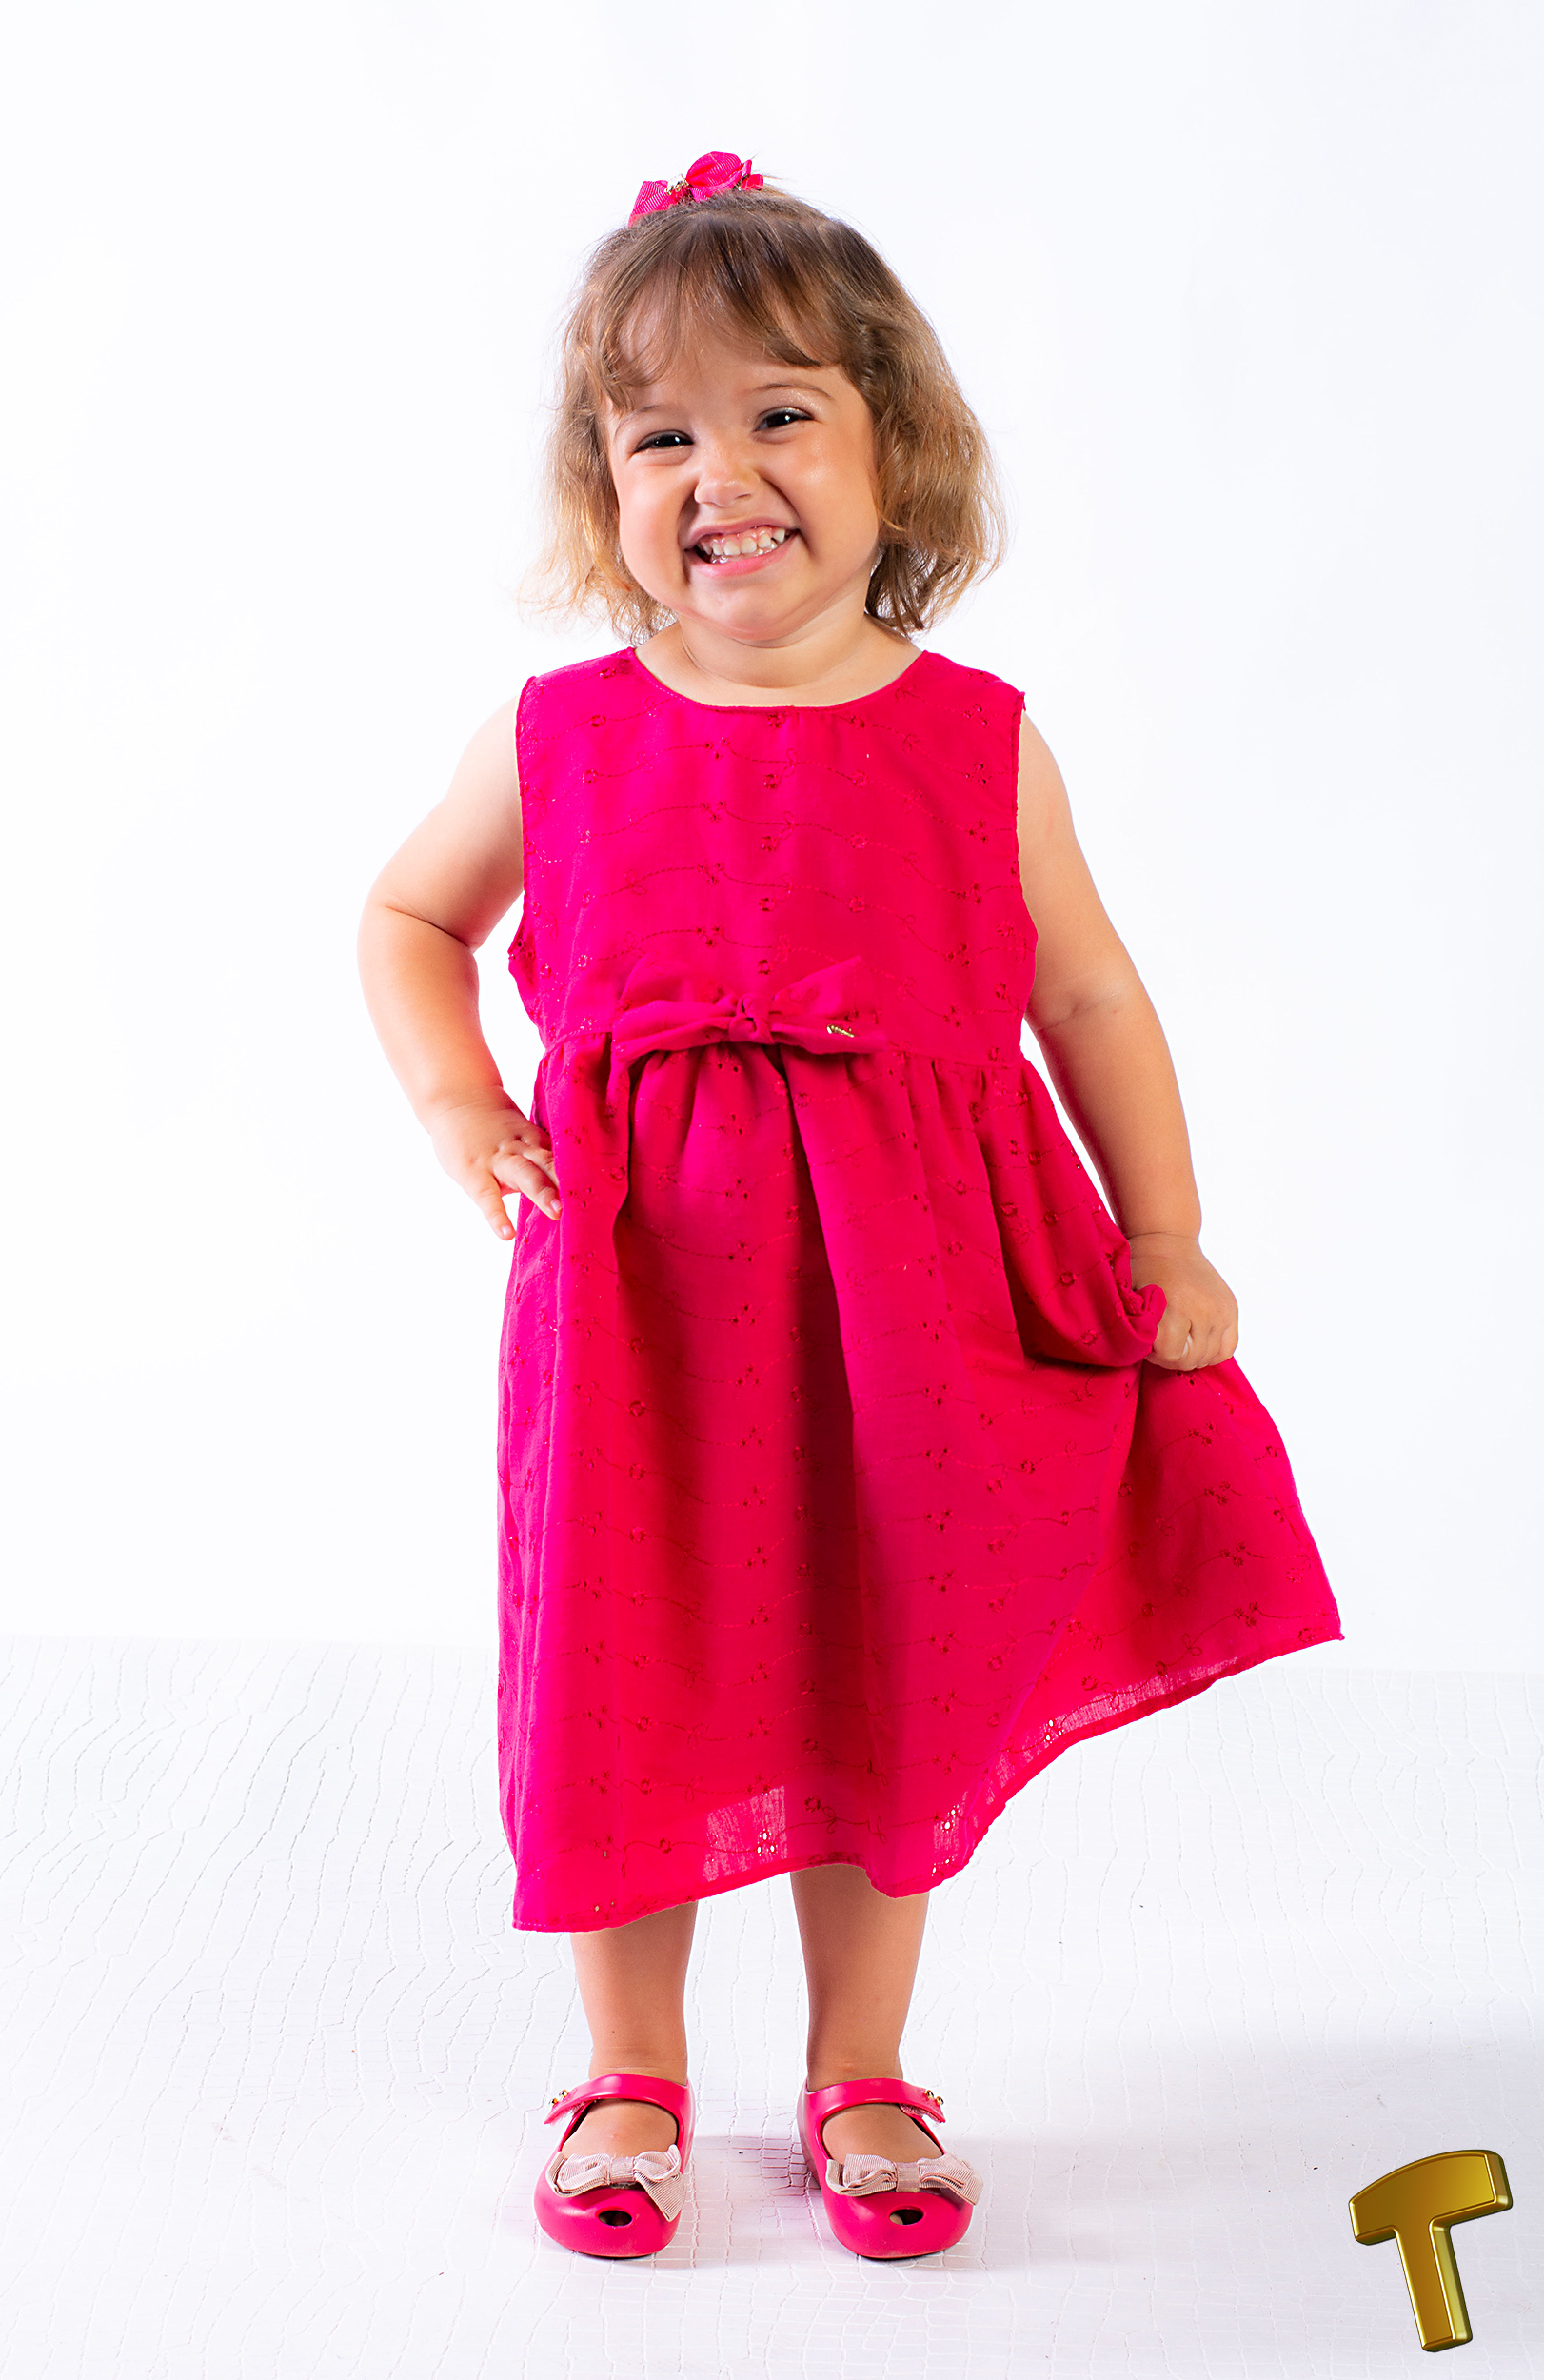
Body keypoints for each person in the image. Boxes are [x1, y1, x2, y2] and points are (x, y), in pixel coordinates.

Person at [357, 151, 1342, 2263]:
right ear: (603, 485)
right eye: (660, 436)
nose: (722, 472)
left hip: (916, 1312)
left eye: (781, 411)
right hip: (638, 1312)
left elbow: (1089, 995)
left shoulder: (976, 744)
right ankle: (628, 2061)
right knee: (627, 1668)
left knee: (884, 1661)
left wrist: (1167, 1233)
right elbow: (407, 916)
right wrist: (464, 1105)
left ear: (897, 444)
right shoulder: (562, 735)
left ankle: (861, 2061)